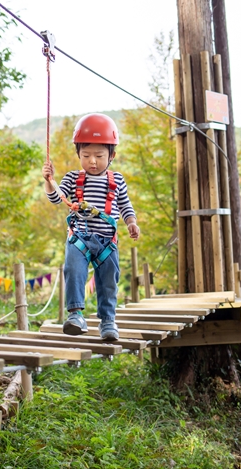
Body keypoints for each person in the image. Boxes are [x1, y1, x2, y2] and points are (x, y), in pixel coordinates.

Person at [42, 113, 140, 341]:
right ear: (78, 154)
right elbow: (57, 199)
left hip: (107, 241)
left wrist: (131, 222)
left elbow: (125, 205)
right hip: (80, 238)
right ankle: (75, 315)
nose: (92, 161)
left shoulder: (117, 181)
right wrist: (49, 181)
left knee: (108, 281)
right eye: (86, 155)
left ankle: (108, 322)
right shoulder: (73, 178)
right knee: (73, 270)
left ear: (111, 155)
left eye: (99, 155)